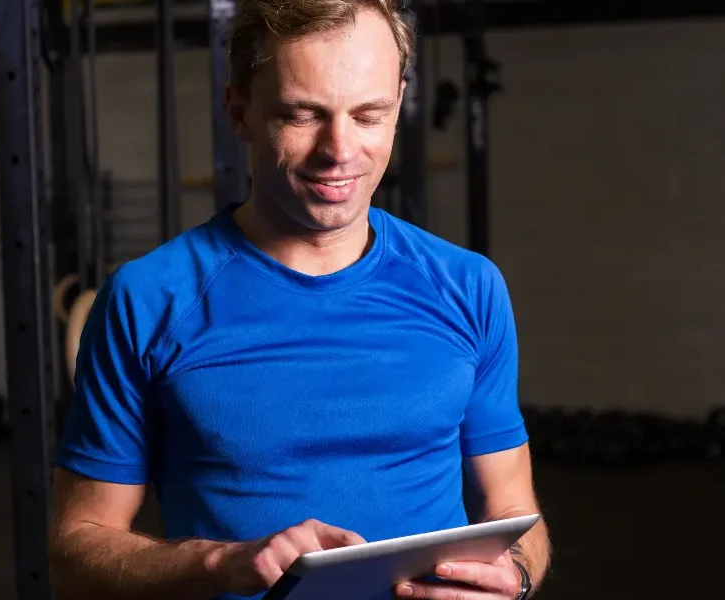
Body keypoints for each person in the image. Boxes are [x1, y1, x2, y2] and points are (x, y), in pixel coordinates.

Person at [47, 0, 551, 599]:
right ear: (239, 110)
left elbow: (518, 512)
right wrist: (219, 564)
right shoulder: (148, 299)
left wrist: (514, 576)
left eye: (368, 115)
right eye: (302, 115)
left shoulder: (470, 286)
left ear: (397, 109)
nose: (339, 150)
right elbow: (76, 547)